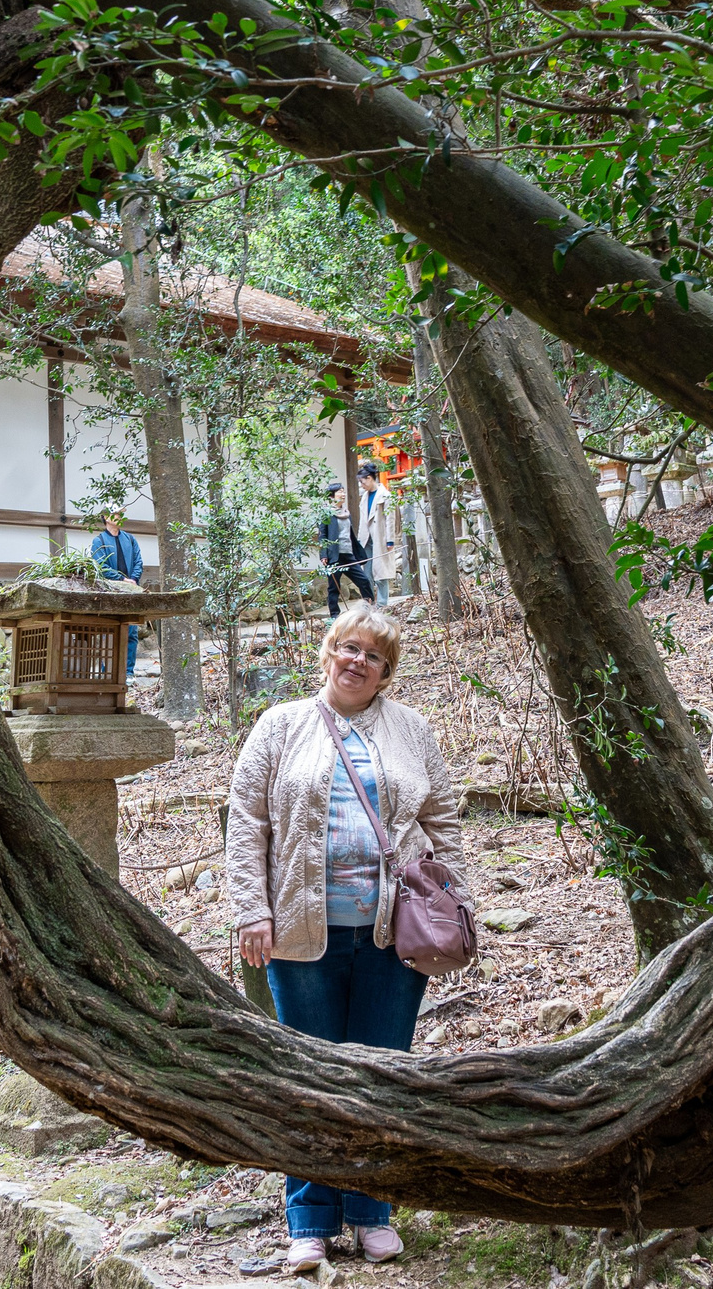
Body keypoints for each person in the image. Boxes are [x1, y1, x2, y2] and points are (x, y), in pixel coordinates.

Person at [226, 602, 461, 1272]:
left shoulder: (412, 731)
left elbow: (445, 822)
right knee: (308, 1077)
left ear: (387, 673)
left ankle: (371, 1210)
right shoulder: (281, 726)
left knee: (379, 1074)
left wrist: (461, 904)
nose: (358, 661)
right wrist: (251, 910)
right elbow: (247, 822)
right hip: (301, 933)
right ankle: (309, 1220)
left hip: (393, 935)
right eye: (348, 648)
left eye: (374, 656)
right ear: (328, 653)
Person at [89, 511, 145, 673]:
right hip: (111, 590)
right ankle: (109, 671)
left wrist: (133, 579)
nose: (119, 518)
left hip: (131, 590)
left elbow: (138, 561)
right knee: (110, 631)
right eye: (115, 515)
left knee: (132, 632)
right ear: (106, 517)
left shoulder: (130, 539)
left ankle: (128, 671)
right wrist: (121, 579)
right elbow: (100, 566)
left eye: (120, 515)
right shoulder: (98, 541)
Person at [315, 482, 373, 613]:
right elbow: (322, 535)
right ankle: (334, 614)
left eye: (343, 491)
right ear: (332, 496)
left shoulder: (346, 512)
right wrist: (323, 554)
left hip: (348, 554)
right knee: (334, 587)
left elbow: (349, 535)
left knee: (363, 580)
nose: (343, 494)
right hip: (334, 555)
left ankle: (369, 607)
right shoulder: (327, 513)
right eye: (340, 492)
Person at [355, 461, 403, 597]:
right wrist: (359, 540)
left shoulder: (385, 495)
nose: (361, 485)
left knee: (381, 572)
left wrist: (390, 540)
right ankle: (369, 601)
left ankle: (382, 603)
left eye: (362, 482)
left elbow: (390, 519)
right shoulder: (364, 497)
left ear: (370, 479)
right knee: (367, 573)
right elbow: (362, 521)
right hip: (366, 539)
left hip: (380, 536)